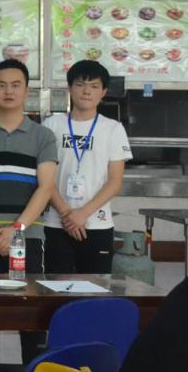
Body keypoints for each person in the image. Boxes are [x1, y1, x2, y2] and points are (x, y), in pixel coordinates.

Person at [0, 59, 57, 372]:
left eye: (16, 85)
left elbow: (45, 188)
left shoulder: (43, 136)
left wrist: (16, 230)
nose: (9, 91)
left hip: (28, 236)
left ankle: (32, 367)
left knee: (30, 309)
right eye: (2, 85)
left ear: (26, 91)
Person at [43, 60, 131, 274]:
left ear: (103, 92)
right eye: (80, 84)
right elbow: (45, 178)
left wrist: (82, 214)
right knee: (54, 286)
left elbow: (115, 181)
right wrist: (68, 214)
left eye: (94, 86)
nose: (86, 91)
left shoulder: (113, 129)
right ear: (70, 88)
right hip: (56, 222)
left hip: (97, 223)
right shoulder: (51, 125)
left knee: (96, 286)